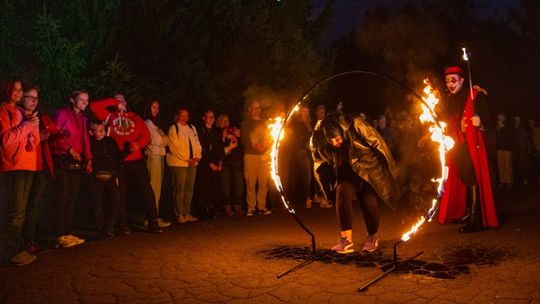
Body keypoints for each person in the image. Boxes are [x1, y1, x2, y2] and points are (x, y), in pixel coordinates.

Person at [311, 113, 400, 253]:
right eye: (331, 141)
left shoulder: (356, 125)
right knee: (342, 195)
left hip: (368, 167)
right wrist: (326, 192)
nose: (335, 143)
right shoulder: (318, 137)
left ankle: (372, 236)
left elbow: (379, 144)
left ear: (342, 132)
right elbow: (318, 162)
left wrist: (390, 170)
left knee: (369, 203)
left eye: (337, 139)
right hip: (347, 170)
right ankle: (346, 240)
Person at [437, 66, 498, 232]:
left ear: (462, 80)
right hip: (456, 146)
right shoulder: (449, 99)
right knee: (464, 178)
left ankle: (475, 218)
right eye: (448, 81)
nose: (450, 83)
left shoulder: (474, 95)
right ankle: (468, 211)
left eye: (454, 80)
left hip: (471, 145)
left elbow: (488, 119)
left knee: (473, 177)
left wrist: (480, 122)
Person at [90, 93, 161, 234]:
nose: (119, 102)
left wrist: (138, 144)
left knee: (146, 190)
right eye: (116, 100)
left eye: (121, 100)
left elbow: (146, 134)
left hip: (136, 160)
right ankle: (123, 225)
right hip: (119, 161)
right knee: (119, 194)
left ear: (126, 102)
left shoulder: (135, 117)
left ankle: (153, 221)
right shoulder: (110, 116)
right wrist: (113, 102)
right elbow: (93, 106)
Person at [0, 80, 39, 265]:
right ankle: (8, 254)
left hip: (27, 164)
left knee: (20, 211)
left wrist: (33, 129)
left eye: (19, 89)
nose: (18, 92)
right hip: (12, 166)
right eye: (15, 89)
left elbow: (33, 142)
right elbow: (6, 140)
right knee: (14, 212)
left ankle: (15, 249)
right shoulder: (3, 111)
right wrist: (26, 126)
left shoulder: (19, 112)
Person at [49, 90, 92, 248]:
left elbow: (85, 140)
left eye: (86, 100)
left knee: (72, 197)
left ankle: (67, 231)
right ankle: (59, 234)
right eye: (81, 99)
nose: (84, 103)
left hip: (77, 160)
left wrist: (89, 159)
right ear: (72, 99)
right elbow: (55, 136)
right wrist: (69, 149)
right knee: (63, 196)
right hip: (63, 158)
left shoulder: (83, 118)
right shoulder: (61, 114)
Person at [19, 85, 56, 254]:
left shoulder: (38, 116)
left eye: (36, 98)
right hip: (24, 167)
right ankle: (22, 242)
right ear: (21, 97)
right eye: (29, 97)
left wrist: (44, 135)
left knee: (35, 204)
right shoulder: (17, 115)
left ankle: (32, 239)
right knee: (21, 206)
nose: (34, 101)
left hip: (40, 166)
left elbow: (52, 130)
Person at [88, 120, 127, 239]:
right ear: (91, 132)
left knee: (115, 202)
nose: (101, 132)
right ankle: (100, 230)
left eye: (103, 130)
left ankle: (109, 227)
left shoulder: (110, 141)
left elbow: (117, 159)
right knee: (97, 204)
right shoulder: (90, 143)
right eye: (98, 130)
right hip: (96, 178)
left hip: (110, 176)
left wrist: (127, 150)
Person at [167, 107, 201, 224]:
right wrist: (187, 159)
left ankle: (187, 213)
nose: (184, 118)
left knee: (189, 189)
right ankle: (179, 213)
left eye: (186, 115)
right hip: (179, 163)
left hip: (192, 163)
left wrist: (197, 156)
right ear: (178, 116)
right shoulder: (174, 128)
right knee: (179, 189)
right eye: (182, 115)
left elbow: (197, 144)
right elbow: (174, 147)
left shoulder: (192, 128)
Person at [240, 101, 272, 216]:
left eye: (258, 108)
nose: (256, 110)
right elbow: (244, 139)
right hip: (251, 155)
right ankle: (251, 207)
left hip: (264, 156)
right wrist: (254, 146)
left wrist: (265, 146)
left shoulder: (265, 123)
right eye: (254, 108)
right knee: (251, 182)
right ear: (250, 109)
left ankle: (261, 206)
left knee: (263, 182)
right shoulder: (246, 124)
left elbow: (270, 137)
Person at [144, 100, 171, 228]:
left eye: (157, 107)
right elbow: (158, 139)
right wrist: (163, 138)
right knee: (154, 187)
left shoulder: (156, 124)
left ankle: (154, 215)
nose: (155, 110)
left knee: (157, 188)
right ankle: (152, 217)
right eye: (153, 107)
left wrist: (163, 139)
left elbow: (166, 140)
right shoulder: (147, 123)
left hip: (159, 155)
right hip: (153, 156)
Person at [196, 110, 224, 219]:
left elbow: (220, 148)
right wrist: (210, 163)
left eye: (213, 117)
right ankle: (204, 209)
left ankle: (213, 207)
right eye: (209, 117)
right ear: (204, 118)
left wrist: (220, 162)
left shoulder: (215, 132)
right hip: (206, 164)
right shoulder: (201, 131)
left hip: (216, 162)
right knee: (205, 186)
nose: (211, 119)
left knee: (214, 186)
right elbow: (203, 149)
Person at [216, 113, 244, 216]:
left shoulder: (234, 131)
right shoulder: (217, 133)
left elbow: (240, 145)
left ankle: (238, 207)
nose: (225, 123)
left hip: (237, 161)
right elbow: (218, 149)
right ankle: (227, 208)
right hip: (225, 162)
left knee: (238, 184)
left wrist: (238, 136)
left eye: (227, 120)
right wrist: (223, 138)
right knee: (226, 186)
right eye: (223, 121)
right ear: (219, 122)